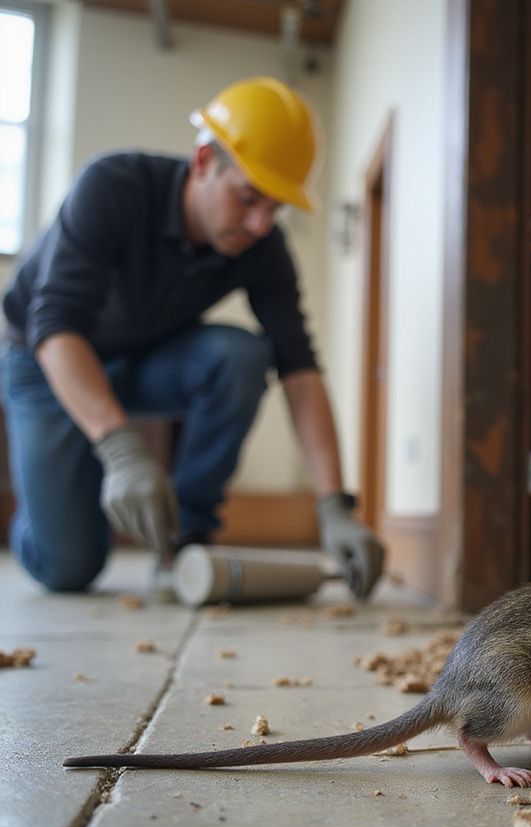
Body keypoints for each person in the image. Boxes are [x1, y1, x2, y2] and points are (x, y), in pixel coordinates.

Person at [0, 77, 385, 598]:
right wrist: (121, 450)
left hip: (145, 359)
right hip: (46, 360)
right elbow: (55, 326)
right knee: (68, 567)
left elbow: (299, 369)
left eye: (275, 209)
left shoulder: (261, 246)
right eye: (248, 198)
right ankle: (43, 509)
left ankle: (185, 535)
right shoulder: (114, 185)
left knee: (240, 356)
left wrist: (333, 505)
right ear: (203, 162)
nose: (258, 224)